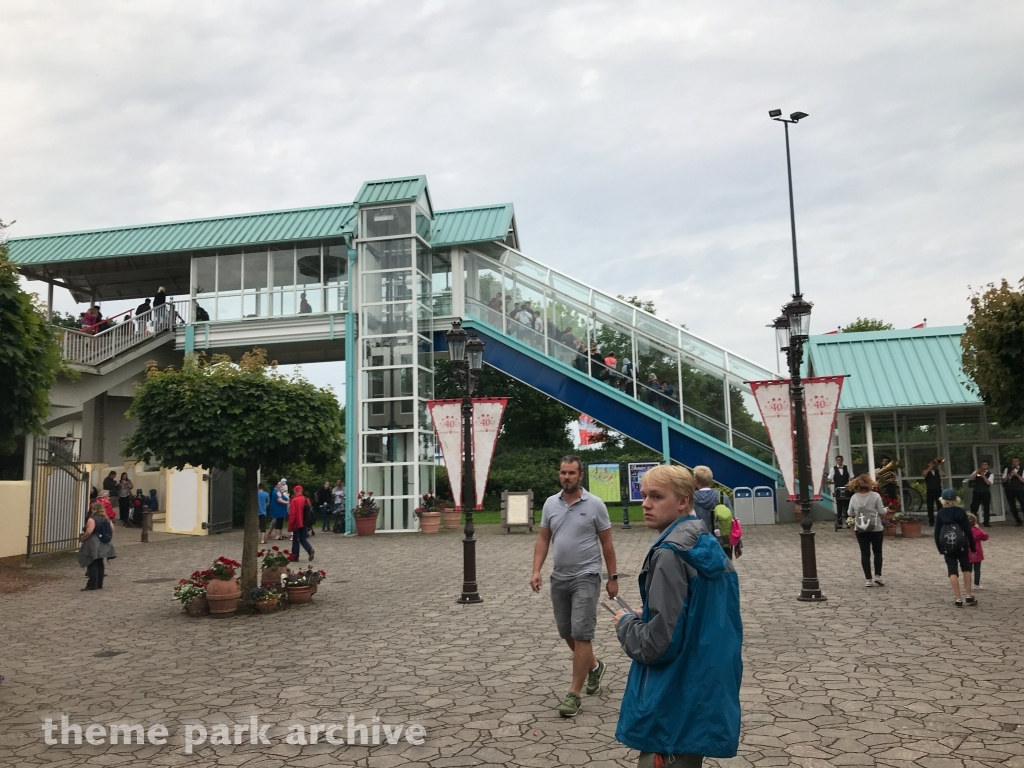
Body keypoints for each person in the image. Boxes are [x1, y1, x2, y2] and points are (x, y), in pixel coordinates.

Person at [613, 464, 742, 766]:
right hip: (704, 684)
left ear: (684, 501)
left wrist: (626, 623)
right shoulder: (705, 541)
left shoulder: (670, 553)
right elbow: (701, 614)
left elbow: (657, 643)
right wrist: (652, 613)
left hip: (672, 696)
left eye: (656, 496)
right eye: (644, 496)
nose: (645, 504)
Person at [531, 455, 618, 718]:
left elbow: (607, 544)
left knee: (582, 633)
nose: (566, 477)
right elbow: (544, 538)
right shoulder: (550, 504)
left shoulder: (595, 505)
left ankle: (574, 694)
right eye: (562, 473)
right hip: (560, 577)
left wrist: (612, 578)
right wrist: (536, 570)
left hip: (587, 576)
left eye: (571, 473)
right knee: (566, 631)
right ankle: (594, 665)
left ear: (581, 476)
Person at [935, 488, 977, 606]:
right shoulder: (960, 512)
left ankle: (958, 598)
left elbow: (937, 533)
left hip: (947, 546)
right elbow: (968, 530)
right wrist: (972, 546)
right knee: (966, 568)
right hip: (961, 544)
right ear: (956, 500)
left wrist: (940, 548)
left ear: (942, 500)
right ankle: (969, 595)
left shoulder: (941, 513)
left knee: (952, 570)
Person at [847, 473, 886, 587]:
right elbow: (882, 511)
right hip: (876, 528)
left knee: (865, 553)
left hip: (860, 528)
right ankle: (878, 576)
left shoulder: (854, 497)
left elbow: (850, 513)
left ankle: (868, 579)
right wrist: (887, 510)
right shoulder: (875, 496)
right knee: (877, 552)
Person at [77, 502, 116, 591]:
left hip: (94, 542)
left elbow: (89, 531)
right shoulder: (106, 518)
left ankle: (92, 584)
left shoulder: (92, 519)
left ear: (93, 509)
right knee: (100, 562)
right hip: (103, 542)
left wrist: (83, 538)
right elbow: (112, 529)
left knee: (92, 562)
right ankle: (99, 583)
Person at [691, 465, 724, 534]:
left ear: (696, 481)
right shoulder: (721, 496)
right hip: (719, 540)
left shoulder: (691, 498)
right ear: (711, 480)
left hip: (698, 539)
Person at [288, 485, 315, 562]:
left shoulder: (294, 500)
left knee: (295, 539)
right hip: (305, 522)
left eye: (294, 491)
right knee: (303, 538)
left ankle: (295, 556)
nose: (294, 492)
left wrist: (291, 524)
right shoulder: (306, 499)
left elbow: (292, 514)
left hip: (297, 523)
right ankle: (309, 549)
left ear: (296, 491)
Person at [826, 455, 852, 531]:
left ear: (842, 460)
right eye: (837, 460)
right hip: (838, 489)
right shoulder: (833, 469)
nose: (839, 461)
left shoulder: (847, 468)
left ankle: (848, 522)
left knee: (847, 506)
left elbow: (852, 477)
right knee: (839, 506)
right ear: (836, 461)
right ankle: (840, 522)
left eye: (840, 460)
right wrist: (829, 481)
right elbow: (829, 478)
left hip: (846, 489)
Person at [968, 461, 994, 527]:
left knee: (986, 508)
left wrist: (983, 475)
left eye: (985, 464)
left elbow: (988, 483)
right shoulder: (976, 472)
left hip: (985, 492)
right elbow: (971, 478)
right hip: (977, 492)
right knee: (974, 507)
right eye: (983, 464)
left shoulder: (990, 474)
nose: (984, 466)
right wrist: (977, 472)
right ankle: (972, 522)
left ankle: (986, 522)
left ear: (988, 466)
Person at [967, 512, 988, 590]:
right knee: (977, 569)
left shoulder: (965, 531)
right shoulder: (977, 530)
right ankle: (976, 584)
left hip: (967, 552)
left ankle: (967, 583)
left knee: (968, 569)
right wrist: (978, 528)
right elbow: (985, 537)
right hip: (977, 551)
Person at [922, 458, 946, 526]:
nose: (932, 464)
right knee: (930, 506)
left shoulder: (937, 471)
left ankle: (941, 520)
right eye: (931, 463)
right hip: (930, 490)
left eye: (933, 463)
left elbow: (944, 475)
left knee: (939, 506)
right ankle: (931, 521)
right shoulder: (926, 471)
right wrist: (930, 467)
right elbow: (924, 474)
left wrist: (938, 468)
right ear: (928, 464)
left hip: (938, 490)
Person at [1002, 457, 1024, 526]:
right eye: (1013, 461)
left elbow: (1023, 480)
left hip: (1020, 489)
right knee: (1012, 506)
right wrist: (1008, 476)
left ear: (1019, 462)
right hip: (1009, 489)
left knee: (1023, 504)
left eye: (1016, 461)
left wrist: (1017, 474)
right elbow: (1003, 480)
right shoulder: (1007, 469)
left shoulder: (1022, 469)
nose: (1015, 463)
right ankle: (1018, 520)